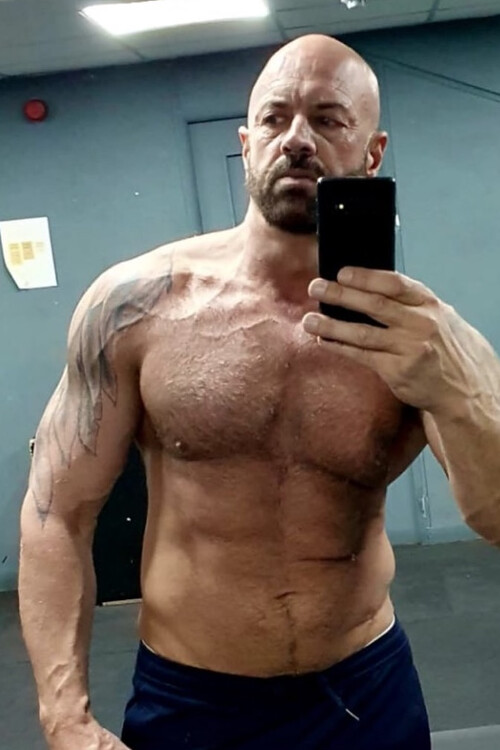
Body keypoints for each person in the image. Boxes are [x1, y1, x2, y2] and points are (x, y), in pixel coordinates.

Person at [18, 33, 500, 750]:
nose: (297, 139)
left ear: (373, 153)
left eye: (328, 119)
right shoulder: (136, 306)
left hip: (364, 690)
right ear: (247, 145)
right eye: (275, 118)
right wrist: (64, 714)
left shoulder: (422, 336)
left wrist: (458, 395)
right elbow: (58, 512)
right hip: (191, 698)